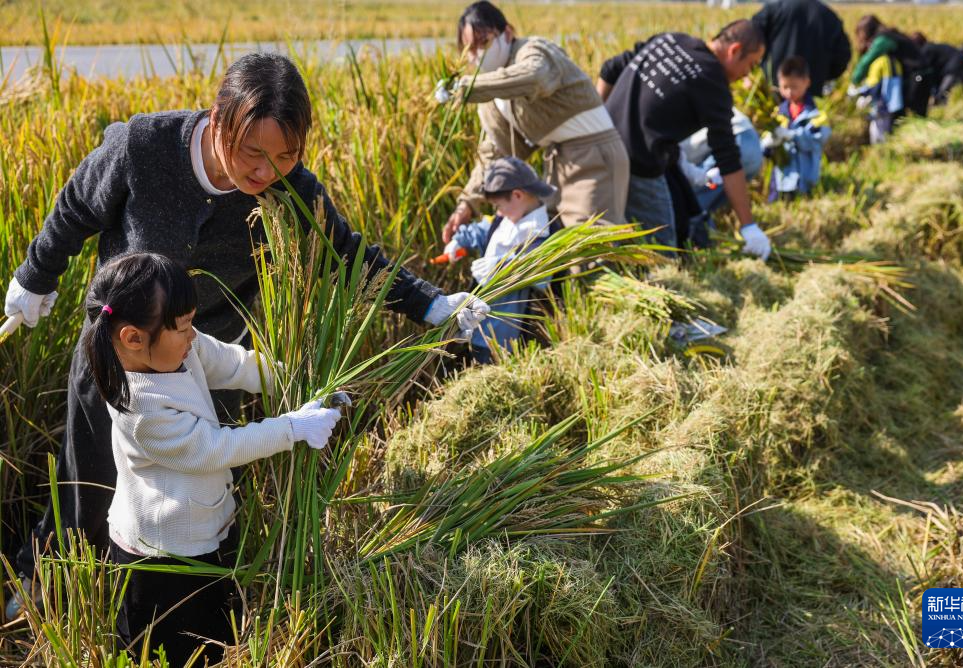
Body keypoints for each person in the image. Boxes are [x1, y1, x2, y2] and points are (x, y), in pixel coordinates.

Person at [2, 52, 489, 617]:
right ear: (219, 117)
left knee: (192, 499)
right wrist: (35, 276)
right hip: (118, 363)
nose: (265, 172)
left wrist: (430, 304)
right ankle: (44, 585)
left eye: (285, 156)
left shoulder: (290, 190)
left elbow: (348, 255)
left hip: (209, 366)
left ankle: (163, 609)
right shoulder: (144, 147)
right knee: (86, 489)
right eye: (253, 152)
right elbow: (76, 208)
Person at [80, 252, 344, 663]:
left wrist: (290, 378)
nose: (193, 336)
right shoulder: (142, 411)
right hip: (161, 557)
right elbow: (216, 448)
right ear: (133, 338)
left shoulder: (179, 349)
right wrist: (293, 428)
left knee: (218, 634)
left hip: (204, 529)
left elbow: (231, 361)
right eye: (183, 328)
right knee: (170, 649)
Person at [438, 1, 630, 245]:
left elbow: (535, 77)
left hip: (593, 158)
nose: (478, 56)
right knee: (555, 249)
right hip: (557, 164)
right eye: (470, 50)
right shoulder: (489, 96)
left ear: (507, 33)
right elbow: (493, 152)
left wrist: (467, 88)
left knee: (591, 251)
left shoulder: (533, 51)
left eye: (483, 43)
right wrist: (466, 205)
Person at [597, 20, 772, 260]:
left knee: (682, 212)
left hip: (603, 146)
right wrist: (748, 226)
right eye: (750, 65)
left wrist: (598, 125)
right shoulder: (713, 82)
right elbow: (728, 157)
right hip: (640, 162)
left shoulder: (669, 39)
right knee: (664, 251)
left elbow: (610, 68)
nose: (746, 76)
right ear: (734, 51)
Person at [442, 157, 558, 363]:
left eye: (498, 206)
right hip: (480, 314)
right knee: (474, 352)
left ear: (517, 195)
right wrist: (460, 241)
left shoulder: (539, 232)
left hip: (503, 329)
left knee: (492, 362)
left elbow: (538, 272)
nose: (497, 212)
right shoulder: (507, 218)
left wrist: (500, 266)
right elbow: (482, 230)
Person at [750, 0, 852, 98]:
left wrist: (752, 71)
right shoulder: (829, 16)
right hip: (812, 91)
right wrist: (821, 77)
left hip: (772, 89)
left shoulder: (775, 9)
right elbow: (843, 56)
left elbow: (751, 36)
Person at [762, 56, 831, 200]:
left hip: (807, 177)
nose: (789, 92)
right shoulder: (777, 114)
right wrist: (767, 144)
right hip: (782, 179)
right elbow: (766, 146)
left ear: (806, 82)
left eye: (794, 87)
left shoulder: (816, 112)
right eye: (784, 87)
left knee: (806, 203)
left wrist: (793, 135)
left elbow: (819, 139)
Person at [850, 15, 928, 119]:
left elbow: (867, 60)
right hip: (921, 75)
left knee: (911, 115)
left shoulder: (883, 39)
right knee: (910, 115)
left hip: (918, 76)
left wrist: (855, 80)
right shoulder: (890, 35)